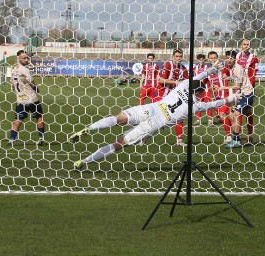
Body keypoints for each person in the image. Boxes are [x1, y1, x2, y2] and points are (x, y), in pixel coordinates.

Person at [69, 61, 240, 171]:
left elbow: (198, 76)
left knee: (118, 118)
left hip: (152, 108)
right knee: (118, 143)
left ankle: (89, 128)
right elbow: (214, 104)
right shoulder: (196, 105)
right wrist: (231, 97)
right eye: (203, 91)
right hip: (155, 123)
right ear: (199, 92)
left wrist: (210, 70)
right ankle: (83, 162)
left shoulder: (184, 85)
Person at [8, 50, 46, 145]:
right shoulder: (25, 70)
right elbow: (32, 83)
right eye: (24, 58)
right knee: (39, 117)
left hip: (21, 100)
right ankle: (41, 138)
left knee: (18, 120)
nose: (27, 60)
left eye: (27, 58)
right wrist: (37, 88)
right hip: (32, 99)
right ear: (18, 59)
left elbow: (12, 84)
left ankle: (11, 140)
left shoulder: (13, 70)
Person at [156, 48, 189, 145]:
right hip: (162, 94)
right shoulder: (168, 65)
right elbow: (161, 80)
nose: (179, 58)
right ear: (173, 57)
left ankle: (179, 140)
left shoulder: (183, 68)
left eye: (180, 56)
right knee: (154, 117)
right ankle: (143, 136)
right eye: (177, 56)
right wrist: (176, 82)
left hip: (173, 96)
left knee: (180, 116)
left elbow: (188, 81)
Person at [220, 57, 256, 148]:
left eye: (231, 58)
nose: (229, 60)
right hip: (242, 95)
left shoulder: (237, 68)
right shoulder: (231, 69)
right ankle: (238, 139)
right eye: (227, 58)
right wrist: (227, 77)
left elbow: (237, 86)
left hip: (247, 94)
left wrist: (223, 88)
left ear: (235, 59)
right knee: (234, 115)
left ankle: (238, 140)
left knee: (236, 115)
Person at [234, 39, 259, 145]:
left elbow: (254, 74)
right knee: (237, 112)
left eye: (248, 45)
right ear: (241, 45)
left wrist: (248, 87)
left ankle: (249, 137)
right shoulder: (237, 56)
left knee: (248, 113)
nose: (246, 46)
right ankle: (237, 136)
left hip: (248, 89)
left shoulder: (253, 58)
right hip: (237, 87)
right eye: (244, 44)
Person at [208, 50, 234, 143]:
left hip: (225, 96)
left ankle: (229, 137)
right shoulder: (210, 71)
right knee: (228, 117)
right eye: (211, 58)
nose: (213, 59)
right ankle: (236, 132)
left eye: (215, 58)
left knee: (222, 115)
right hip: (217, 98)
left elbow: (231, 71)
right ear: (208, 59)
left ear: (217, 59)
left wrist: (227, 76)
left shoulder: (222, 68)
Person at [192, 53, 212, 125]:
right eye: (199, 60)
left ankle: (210, 120)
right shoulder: (195, 68)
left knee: (208, 104)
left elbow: (210, 77)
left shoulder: (207, 67)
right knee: (198, 104)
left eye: (202, 59)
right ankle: (198, 120)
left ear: (204, 60)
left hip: (206, 88)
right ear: (197, 60)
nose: (201, 61)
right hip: (198, 89)